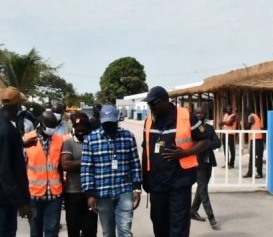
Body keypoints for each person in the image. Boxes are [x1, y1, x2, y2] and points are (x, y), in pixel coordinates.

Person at [142, 86, 211, 237]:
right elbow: (145, 151)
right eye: (149, 104)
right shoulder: (148, 121)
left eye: (154, 103)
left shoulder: (186, 116)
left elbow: (205, 141)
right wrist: (144, 180)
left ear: (166, 101)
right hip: (157, 184)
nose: (151, 106)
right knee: (159, 224)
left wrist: (184, 153)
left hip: (179, 183)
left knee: (178, 226)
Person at [82, 105, 142, 237]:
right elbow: (86, 168)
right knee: (108, 232)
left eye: (112, 122)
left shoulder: (128, 137)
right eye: (106, 123)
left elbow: (135, 164)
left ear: (117, 120)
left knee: (125, 231)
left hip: (124, 190)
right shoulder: (91, 139)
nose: (109, 126)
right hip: (103, 193)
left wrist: (137, 188)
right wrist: (89, 194)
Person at [0, 86, 31, 237]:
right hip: (1, 195)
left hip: (4, 194)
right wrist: (20, 203)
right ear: (17, 105)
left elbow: (5, 151)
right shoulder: (3, 129)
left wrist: (21, 144)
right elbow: (4, 170)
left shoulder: (1, 121)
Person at [23, 111, 64, 237]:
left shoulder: (59, 140)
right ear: (41, 124)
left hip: (54, 196)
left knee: (52, 232)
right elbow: (21, 168)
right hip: (34, 195)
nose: (52, 130)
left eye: (54, 126)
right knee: (35, 232)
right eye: (49, 126)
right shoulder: (27, 139)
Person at [61, 112, 98, 237]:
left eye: (83, 130)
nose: (80, 132)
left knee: (90, 230)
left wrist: (76, 164)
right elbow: (66, 164)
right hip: (73, 193)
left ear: (89, 130)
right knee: (73, 229)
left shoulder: (95, 143)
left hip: (91, 193)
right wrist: (88, 162)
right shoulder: (69, 143)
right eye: (78, 130)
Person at [190, 107, 222, 230]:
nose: (199, 114)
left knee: (201, 187)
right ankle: (211, 217)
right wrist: (206, 143)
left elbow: (218, 143)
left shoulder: (209, 128)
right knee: (203, 189)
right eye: (197, 112)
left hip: (209, 162)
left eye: (201, 112)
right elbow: (193, 144)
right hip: (198, 163)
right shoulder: (193, 129)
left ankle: (192, 211)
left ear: (205, 114)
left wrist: (204, 144)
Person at [243, 107, 264, 179]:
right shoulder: (256, 116)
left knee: (257, 157)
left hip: (256, 138)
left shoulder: (251, 116)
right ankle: (250, 172)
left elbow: (248, 126)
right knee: (253, 156)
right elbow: (261, 127)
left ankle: (259, 173)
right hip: (256, 138)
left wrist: (245, 125)